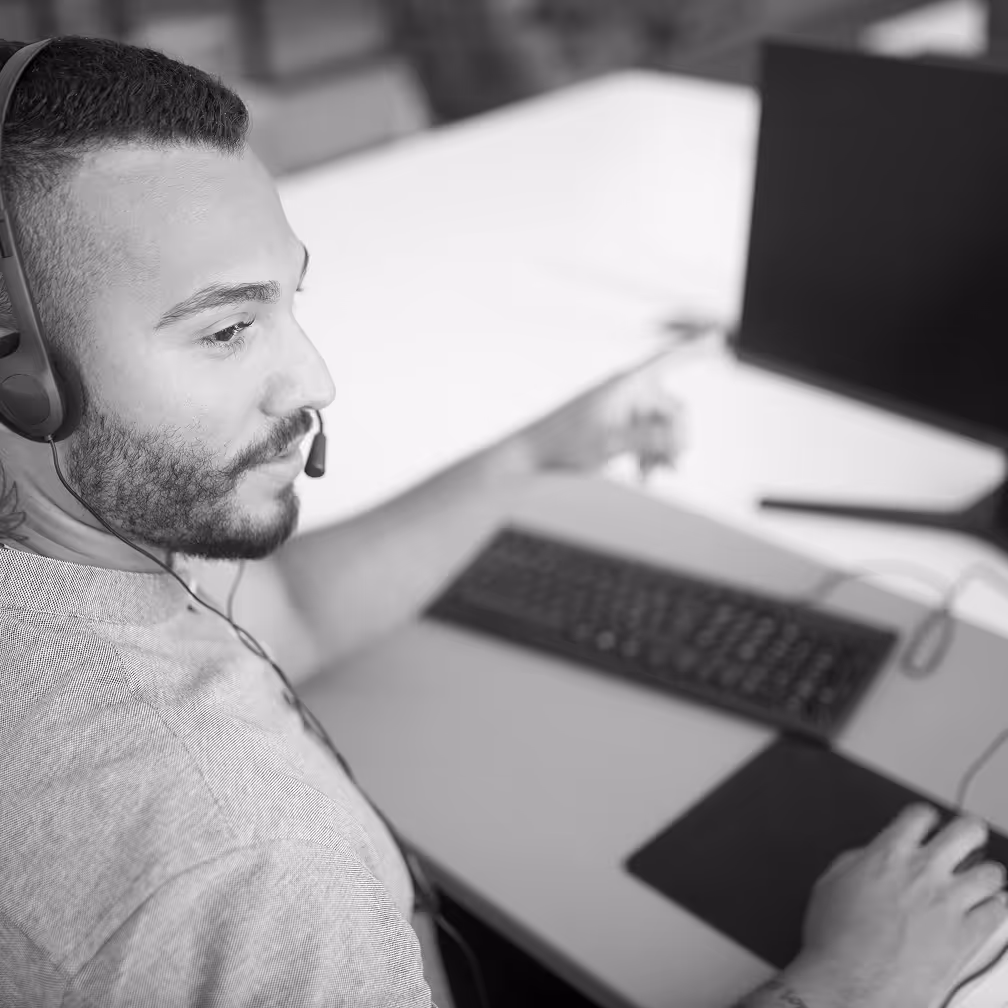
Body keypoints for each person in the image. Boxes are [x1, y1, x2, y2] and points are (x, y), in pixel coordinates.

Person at [0, 34, 1004, 1008]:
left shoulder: (59, 569)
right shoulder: (255, 871)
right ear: (18, 366)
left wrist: (535, 453)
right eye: (226, 329)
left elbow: (285, 612)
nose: (316, 379)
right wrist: (852, 983)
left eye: (287, 303)